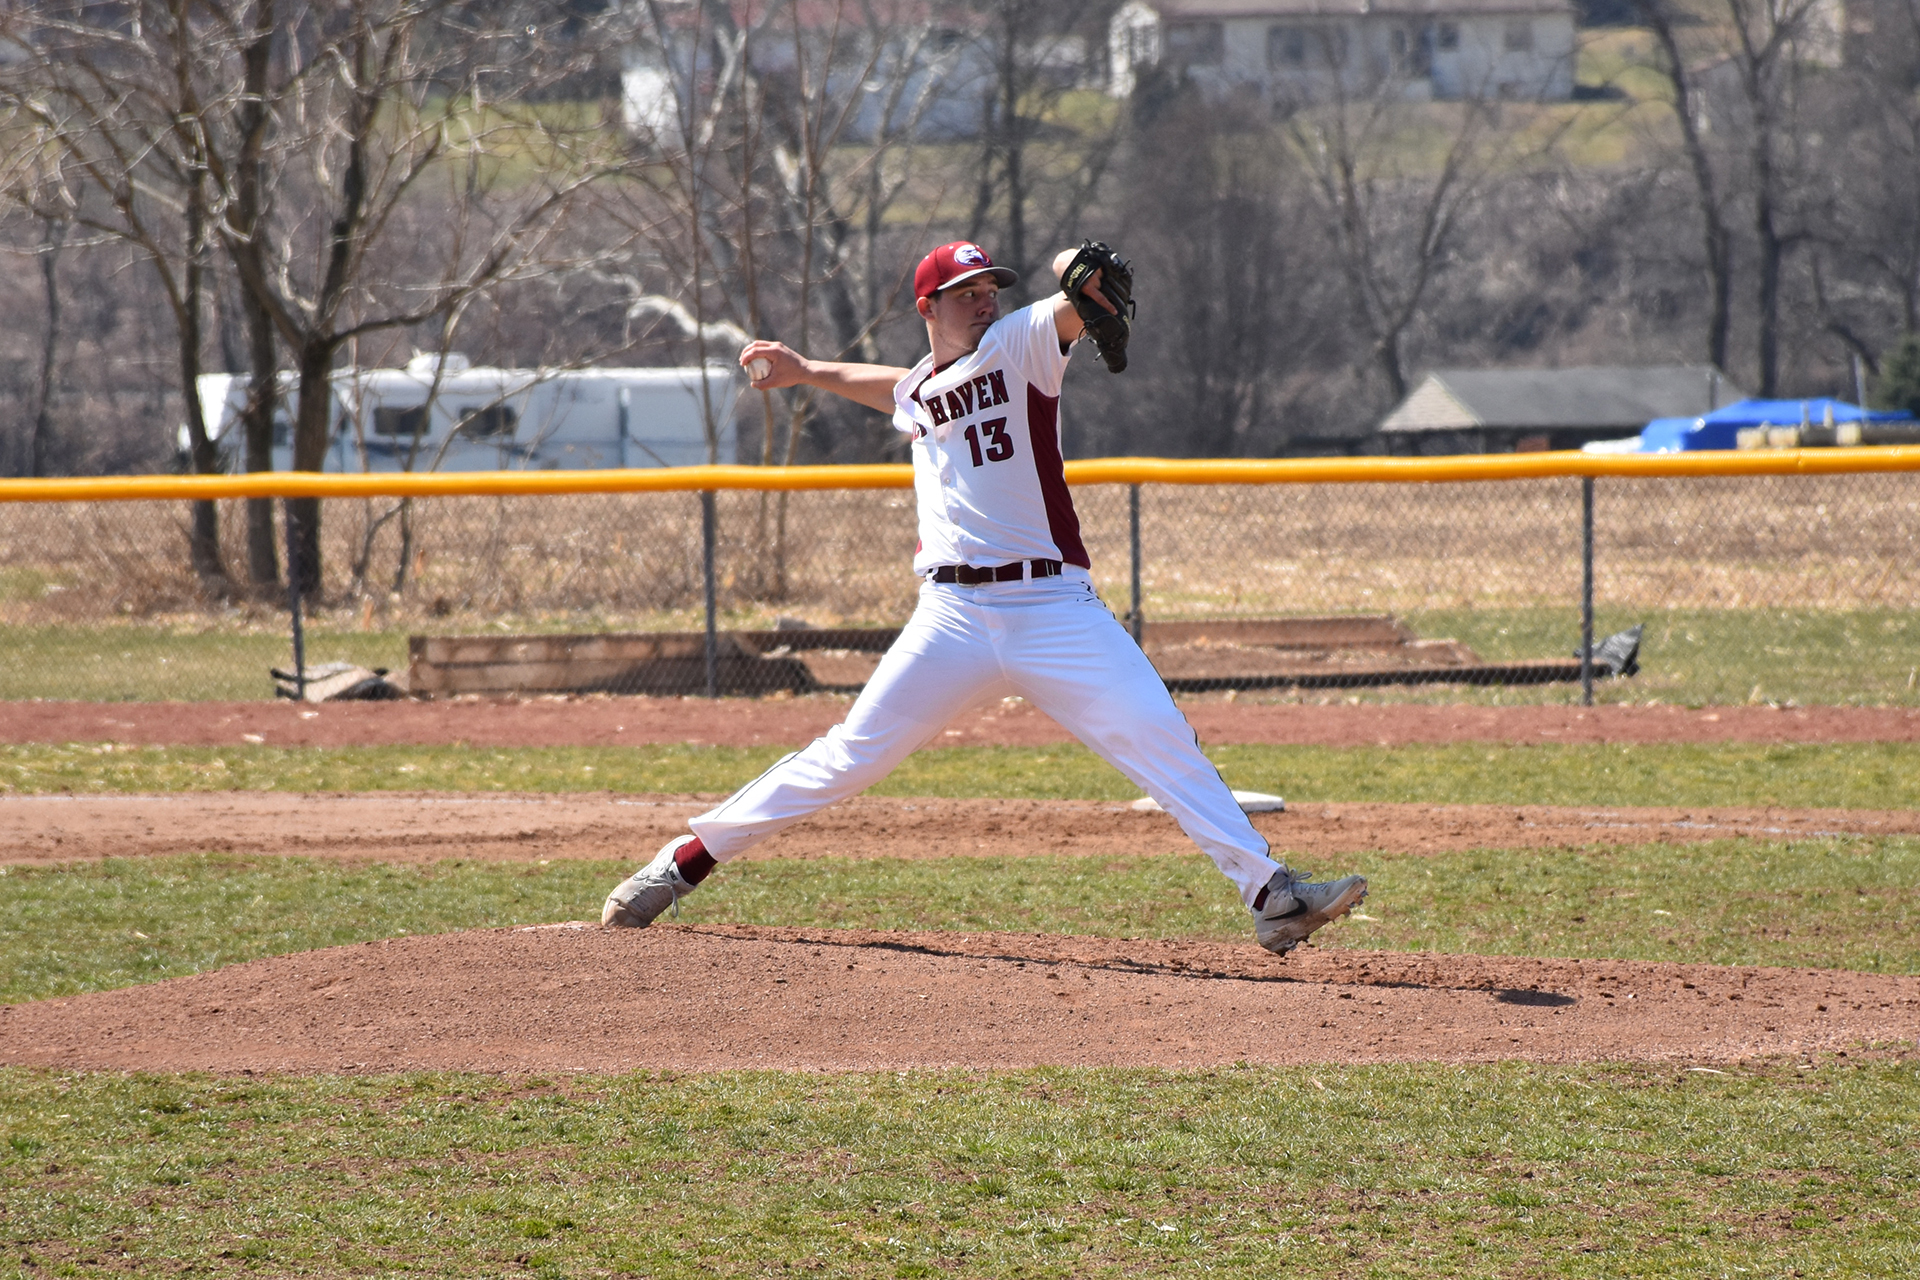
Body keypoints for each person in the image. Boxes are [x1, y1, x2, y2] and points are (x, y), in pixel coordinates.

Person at [601, 240, 1366, 955]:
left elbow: (1073, 282)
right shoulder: (925, 389)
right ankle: (682, 862)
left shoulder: (1019, 344)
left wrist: (1080, 279)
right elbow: (895, 389)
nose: (983, 300)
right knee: (848, 756)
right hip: (952, 620)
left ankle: (1272, 896)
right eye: (964, 291)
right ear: (927, 307)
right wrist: (805, 370)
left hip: (1054, 609)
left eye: (989, 287)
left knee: (1156, 734)